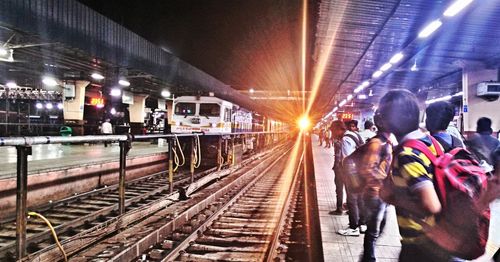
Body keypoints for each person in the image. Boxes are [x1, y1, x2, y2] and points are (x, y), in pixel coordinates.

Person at [378, 90, 500, 262]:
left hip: (421, 244)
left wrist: (393, 197)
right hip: (441, 239)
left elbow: (431, 205)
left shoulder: (407, 153)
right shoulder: (431, 143)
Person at [359, 113, 394, 262]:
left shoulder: (388, 142)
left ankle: (367, 257)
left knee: (379, 228)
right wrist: (384, 180)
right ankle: (368, 259)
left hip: (382, 193)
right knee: (373, 231)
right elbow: (367, 168)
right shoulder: (377, 143)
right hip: (374, 193)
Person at [330, 120, 366, 236]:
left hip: (353, 174)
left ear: (337, 129)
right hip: (362, 171)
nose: (333, 135)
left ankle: (353, 227)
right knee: (360, 198)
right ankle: (362, 225)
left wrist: (346, 175)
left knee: (352, 200)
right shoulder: (355, 134)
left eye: (333, 132)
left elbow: (347, 158)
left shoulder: (345, 139)